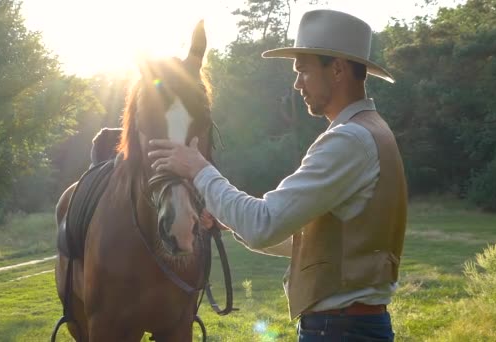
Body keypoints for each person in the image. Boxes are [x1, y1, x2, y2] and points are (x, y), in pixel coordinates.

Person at [148, 9, 407, 341]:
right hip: (349, 327)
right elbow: (322, 244)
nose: (297, 83)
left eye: (303, 71)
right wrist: (231, 221)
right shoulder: (371, 131)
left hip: (338, 330)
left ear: (338, 69)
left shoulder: (348, 140)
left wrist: (197, 168)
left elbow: (264, 224)